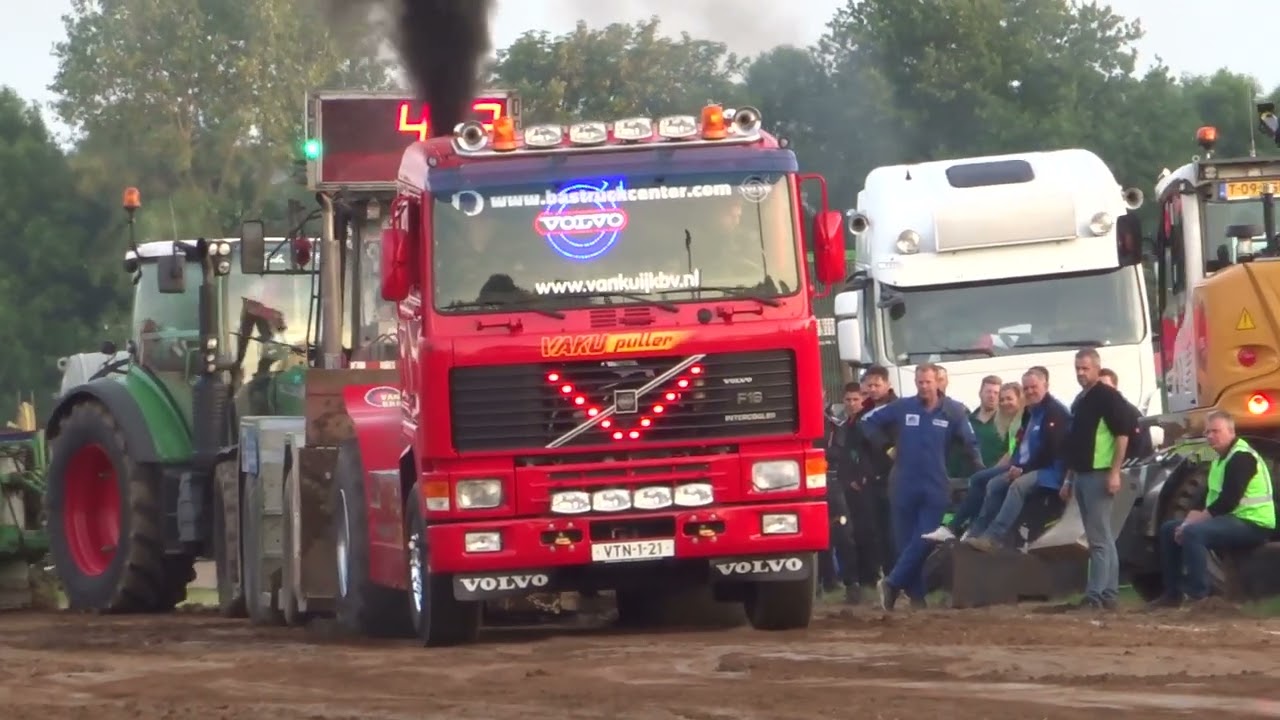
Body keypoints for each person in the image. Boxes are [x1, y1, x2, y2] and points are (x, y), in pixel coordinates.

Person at [861, 363, 984, 610]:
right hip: (903, 484)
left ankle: (893, 583)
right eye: (919, 382)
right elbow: (868, 423)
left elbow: (970, 444)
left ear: (938, 382)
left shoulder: (953, 411)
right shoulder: (903, 406)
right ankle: (917, 598)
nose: (924, 387)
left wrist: (981, 472)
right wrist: (887, 447)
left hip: (935, 485)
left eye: (928, 382)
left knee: (925, 538)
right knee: (905, 543)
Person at [1148, 411, 1275, 608]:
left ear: (1231, 432)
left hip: (1253, 523)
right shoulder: (1219, 460)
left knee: (1194, 533)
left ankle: (1200, 598)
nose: (1210, 436)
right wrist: (1186, 523)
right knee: (1169, 529)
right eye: (1207, 432)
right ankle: (1172, 594)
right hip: (1233, 519)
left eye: (1216, 431)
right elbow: (1206, 501)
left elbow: (1227, 501)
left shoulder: (1242, 457)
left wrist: (1191, 526)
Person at [963, 367, 1071, 552]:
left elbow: (1051, 450)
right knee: (994, 484)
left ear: (1046, 385)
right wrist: (1019, 466)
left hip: (1053, 471)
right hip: (1030, 466)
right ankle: (975, 533)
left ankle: (994, 538)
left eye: (1033, 387)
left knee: (1018, 486)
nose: (1029, 391)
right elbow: (1024, 447)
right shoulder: (1031, 412)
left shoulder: (1055, 412)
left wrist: (1023, 469)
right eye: (1026, 388)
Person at [1061, 347, 1132, 611]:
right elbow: (1074, 443)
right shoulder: (1081, 399)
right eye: (1078, 368)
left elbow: (1123, 434)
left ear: (1097, 368)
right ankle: (1108, 594)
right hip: (1082, 473)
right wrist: (1069, 478)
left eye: (1085, 368)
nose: (1080, 373)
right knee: (1100, 536)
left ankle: (1096, 596)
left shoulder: (1107, 397)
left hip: (1099, 473)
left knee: (1098, 538)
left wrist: (1114, 471)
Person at [923, 380, 1025, 543]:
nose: (1005, 402)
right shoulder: (1009, 423)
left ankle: (972, 531)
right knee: (981, 479)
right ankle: (962, 529)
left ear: (1020, 400)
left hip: (1023, 467)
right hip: (1013, 464)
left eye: (1009, 398)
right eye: (1003, 399)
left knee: (987, 482)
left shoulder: (1023, 420)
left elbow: (1019, 453)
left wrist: (996, 470)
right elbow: (1012, 452)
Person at [819, 384, 864, 603]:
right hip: (807, 486)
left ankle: (852, 583)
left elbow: (839, 454)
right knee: (816, 535)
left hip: (832, 483)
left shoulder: (835, 426)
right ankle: (823, 582)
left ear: (824, 394)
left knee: (843, 533)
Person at [855, 364, 899, 577]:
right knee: (877, 531)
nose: (873, 389)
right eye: (869, 385)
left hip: (895, 476)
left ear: (887, 385)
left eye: (877, 385)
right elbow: (858, 448)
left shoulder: (899, 408)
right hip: (872, 479)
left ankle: (902, 575)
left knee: (895, 530)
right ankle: (886, 575)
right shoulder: (863, 413)